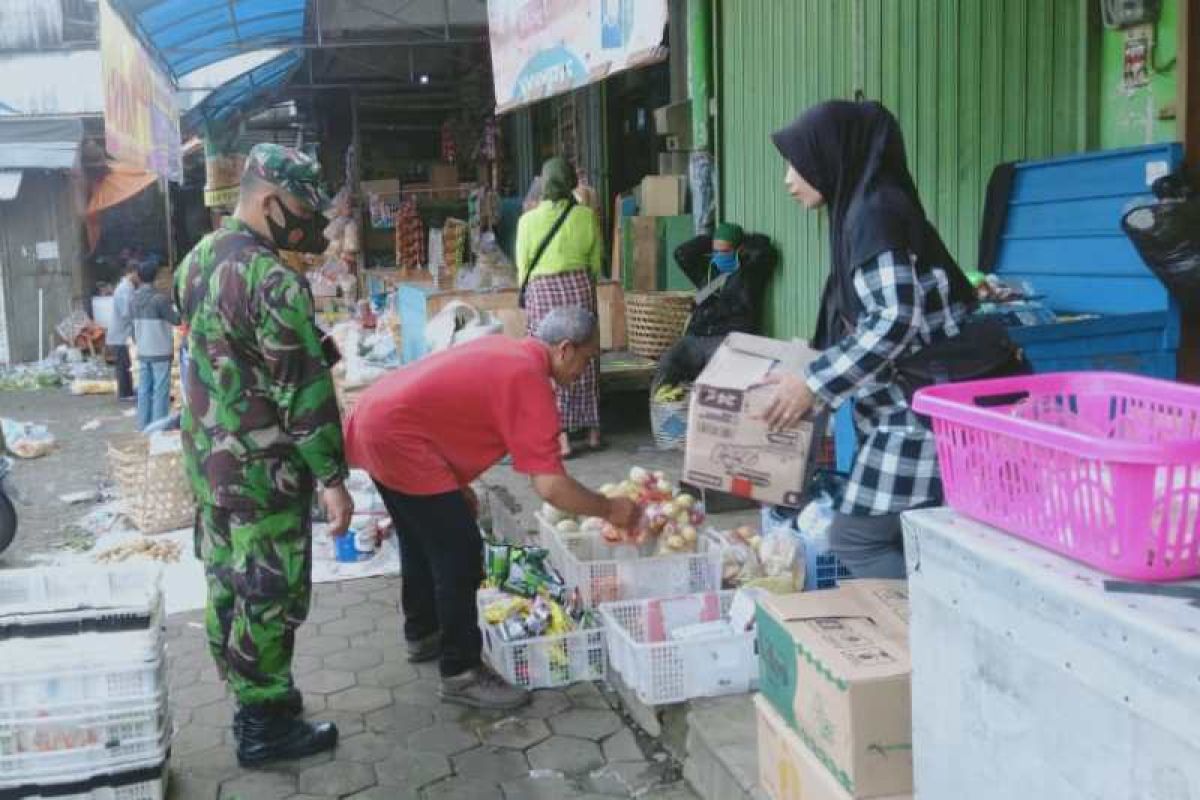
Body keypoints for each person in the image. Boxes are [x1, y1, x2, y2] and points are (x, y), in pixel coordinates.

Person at [764, 100, 1021, 579]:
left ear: (829, 155)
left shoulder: (873, 214)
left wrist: (813, 384)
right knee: (912, 532)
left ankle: (929, 626)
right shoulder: (864, 208)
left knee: (856, 539)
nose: (788, 180)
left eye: (796, 163)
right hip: (917, 403)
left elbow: (894, 319)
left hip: (924, 410)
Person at [343, 308, 641, 710]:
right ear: (566, 350)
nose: (585, 371)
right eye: (588, 360)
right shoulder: (529, 380)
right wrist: (610, 508)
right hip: (397, 436)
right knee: (460, 551)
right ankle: (461, 672)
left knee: (420, 535)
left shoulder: (508, 351)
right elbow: (551, 487)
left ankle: (424, 630)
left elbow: (447, 409)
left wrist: (454, 483)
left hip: (377, 419)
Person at [174, 143, 353, 767]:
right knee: (269, 591)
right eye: (305, 208)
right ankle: (263, 728)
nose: (313, 224)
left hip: (209, 464)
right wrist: (333, 478)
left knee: (228, 582)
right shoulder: (272, 277)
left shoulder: (198, 260)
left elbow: (222, 344)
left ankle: (259, 695)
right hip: (262, 471)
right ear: (271, 201)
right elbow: (302, 395)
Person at [517, 157, 604, 459]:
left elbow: (523, 264)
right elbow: (596, 259)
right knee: (585, 354)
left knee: (549, 358)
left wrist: (527, 295)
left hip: (542, 291)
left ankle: (561, 435)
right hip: (579, 285)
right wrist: (584, 280)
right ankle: (592, 431)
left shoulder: (527, 220)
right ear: (569, 182)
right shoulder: (584, 215)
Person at [655, 222, 777, 388]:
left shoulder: (748, 274)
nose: (719, 255)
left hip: (725, 339)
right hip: (696, 337)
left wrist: (744, 246)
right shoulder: (709, 271)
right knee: (667, 364)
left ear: (739, 250)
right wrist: (713, 238)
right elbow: (682, 253)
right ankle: (661, 409)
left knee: (714, 377)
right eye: (716, 251)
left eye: (725, 251)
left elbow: (764, 251)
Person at [130, 260, 179, 430]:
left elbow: (131, 327)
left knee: (143, 390)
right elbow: (176, 320)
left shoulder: (133, 298)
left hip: (143, 349)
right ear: (156, 277)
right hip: (160, 350)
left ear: (139, 276)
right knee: (160, 391)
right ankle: (158, 428)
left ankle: (143, 426)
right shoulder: (160, 299)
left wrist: (138, 342)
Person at [106, 261, 139, 402]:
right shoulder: (125, 289)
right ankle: (125, 394)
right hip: (120, 335)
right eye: (138, 274)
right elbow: (126, 312)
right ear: (131, 273)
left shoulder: (128, 287)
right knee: (123, 365)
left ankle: (127, 391)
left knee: (125, 364)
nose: (139, 277)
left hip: (122, 334)